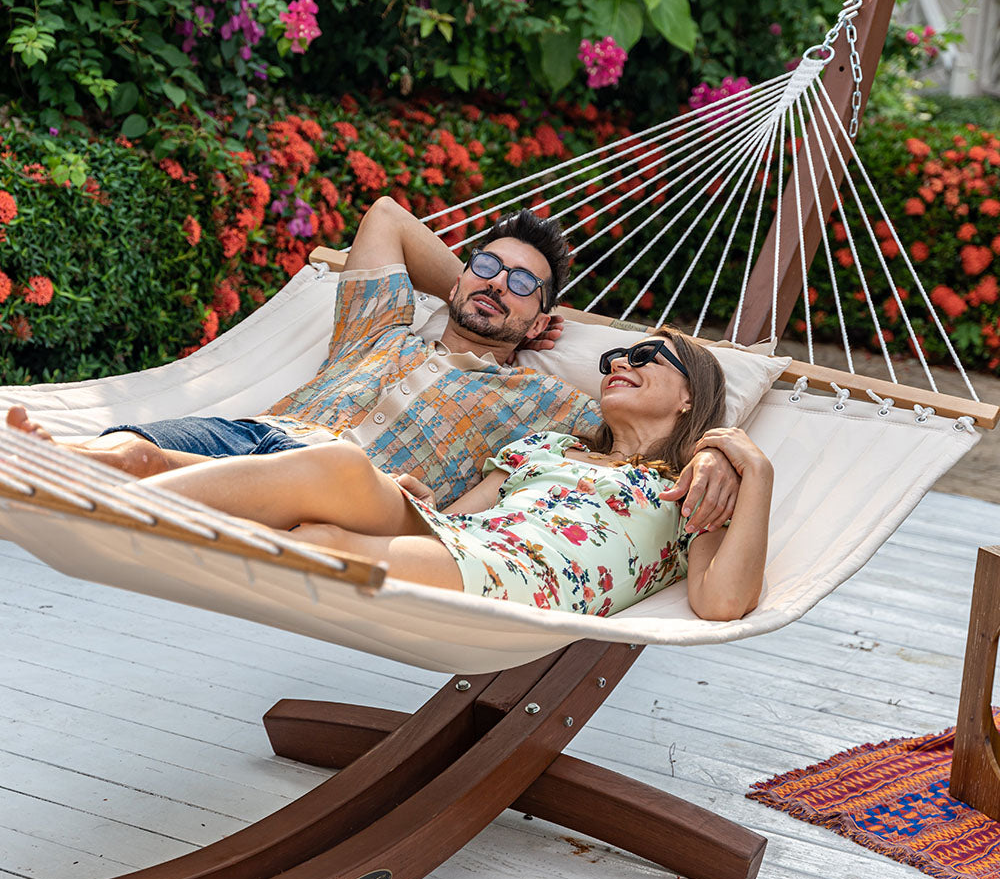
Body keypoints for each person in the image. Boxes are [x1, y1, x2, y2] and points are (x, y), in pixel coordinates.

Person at [6, 196, 740, 533]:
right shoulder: (382, 324)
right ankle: (42, 466)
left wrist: (720, 455)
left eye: (523, 285)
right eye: (488, 266)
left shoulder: (543, 404)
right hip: (246, 433)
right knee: (120, 449)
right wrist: (473, 289)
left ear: (544, 323)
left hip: (337, 491)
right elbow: (387, 215)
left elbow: (648, 421)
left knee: (132, 459)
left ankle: (37, 463)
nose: (496, 283)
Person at [136, 328, 772, 620]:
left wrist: (756, 473)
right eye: (614, 356)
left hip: (520, 579)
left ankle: (131, 511)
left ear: (693, 396)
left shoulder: (692, 486)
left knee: (325, 544)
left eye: (646, 357)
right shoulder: (548, 446)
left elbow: (720, 603)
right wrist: (416, 501)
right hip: (462, 541)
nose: (620, 363)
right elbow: (463, 519)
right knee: (339, 465)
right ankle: (120, 484)